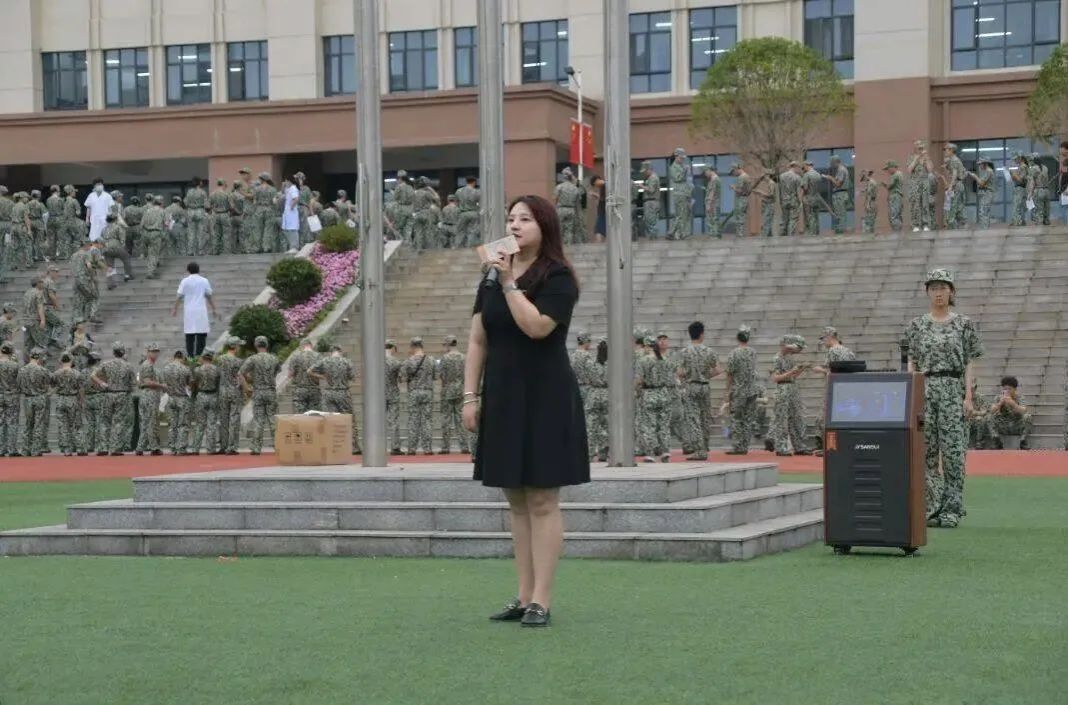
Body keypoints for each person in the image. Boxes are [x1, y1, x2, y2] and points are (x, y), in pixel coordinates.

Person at [464, 194, 589, 628]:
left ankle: (542, 600)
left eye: (525, 219)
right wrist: (469, 396)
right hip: (502, 394)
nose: (514, 225)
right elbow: (477, 339)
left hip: (545, 394)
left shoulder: (558, 276)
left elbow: (537, 327)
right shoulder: (491, 274)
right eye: (511, 218)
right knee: (515, 498)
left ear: (545, 227)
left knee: (541, 498)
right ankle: (522, 594)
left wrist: (509, 284)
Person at [904, 268, 983, 528]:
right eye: (934, 288)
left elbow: (970, 362)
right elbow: (911, 362)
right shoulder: (917, 325)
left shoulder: (964, 324)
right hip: (925, 388)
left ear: (951, 291)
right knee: (925, 451)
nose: (938, 293)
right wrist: (912, 394)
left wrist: (968, 397)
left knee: (953, 453)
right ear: (927, 292)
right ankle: (931, 506)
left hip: (952, 388)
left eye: (943, 288)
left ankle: (952, 509)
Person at [307, 344, 362, 455]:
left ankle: (332, 447)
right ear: (340, 351)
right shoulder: (346, 362)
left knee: (329, 419)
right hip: (343, 393)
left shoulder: (324, 361)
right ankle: (354, 447)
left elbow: (309, 371)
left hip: (328, 393)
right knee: (349, 419)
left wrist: (322, 376)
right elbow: (353, 377)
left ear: (331, 352)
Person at [677, 321, 720, 461]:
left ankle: (699, 449)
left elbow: (679, 372)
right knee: (704, 417)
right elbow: (718, 370)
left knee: (693, 418)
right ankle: (705, 445)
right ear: (702, 334)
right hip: (705, 386)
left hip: (691, 386)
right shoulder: (709, 351)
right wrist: (705, 375)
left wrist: (690, 375)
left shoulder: (684, 352)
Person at [636, 333, 676, 463]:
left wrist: (637, 391)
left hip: (649, 393)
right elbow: (672, 379)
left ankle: (650, 453)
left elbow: (639, 380)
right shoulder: (666, 360)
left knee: (649, 425)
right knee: (664, 425)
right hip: (664, 393)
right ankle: (665, 451)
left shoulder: (643, 360)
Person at [91, 342, 136, 456]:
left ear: (113, 352)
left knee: (104, 421)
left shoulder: (106, 364)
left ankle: (103, 447)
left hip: (108, 394)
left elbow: (93, 375)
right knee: (119, 422)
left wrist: (101, 383)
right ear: (123, 352)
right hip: (122, 395)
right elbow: (133, 384)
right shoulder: (128, 366)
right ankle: (116, 448)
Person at [770, 335, 812, 457]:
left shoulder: (789, 357)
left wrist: (801, 369)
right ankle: (781, 447)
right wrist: (792, 371)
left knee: (796, 418)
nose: (798, 350)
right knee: (781, 419)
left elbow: (793, 376)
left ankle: (799, 446)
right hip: (782, 389)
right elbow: (775, 378)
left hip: (792, 388)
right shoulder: (777, 358)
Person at [240, 335, 280, 455]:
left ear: (256, 345)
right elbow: (276, 373)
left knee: (258, 420)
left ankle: (256, 448)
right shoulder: (274, 358)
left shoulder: (253, 359)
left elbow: (240, 373)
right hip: (271, 391)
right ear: (266, 345)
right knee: (272, 419)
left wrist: (247, 387)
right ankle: (278, 446)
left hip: (258, 392)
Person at [172, 262, 217, 358]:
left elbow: (179, 296)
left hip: (189, 311)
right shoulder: (204, 281)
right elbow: (208, 295)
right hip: (201, 310)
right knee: (202, 334)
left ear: (188, 270)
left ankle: (190, 356)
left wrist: (175, 309)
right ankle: (199, 356)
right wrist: (214, 308)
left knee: (189, 335)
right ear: (198, 270)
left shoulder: (185, 281)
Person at [400, 336, 434, 454]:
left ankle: (412, 448)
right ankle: (427, 448)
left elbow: (402, 378)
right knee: (427, 420)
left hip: (414, 392)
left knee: (413, 420)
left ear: (412, 346)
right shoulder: (431, 360)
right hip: (428, 391)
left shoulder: (408, 361)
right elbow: (436, 376)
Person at [436, 334, 468, 455]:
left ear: (448, 345)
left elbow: (441, 375)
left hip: (447, 390)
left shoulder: (445, 358)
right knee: (460, 419)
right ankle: (464, 446)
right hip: (460, 390)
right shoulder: (463, 357)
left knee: (446, 419)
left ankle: (445, 447)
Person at [18, 348, 52, 456]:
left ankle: (25, 449)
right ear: (39, 358)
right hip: (40, 397)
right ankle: (35, 449)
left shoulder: (22, 370)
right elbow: (48, 384)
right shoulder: (43, 370)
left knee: (28, 423)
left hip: (27, 398)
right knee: (38, 423)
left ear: (30, 356)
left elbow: (19, 385)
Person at [188, 348, 221, 454]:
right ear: (212, 358)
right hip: (213, 396)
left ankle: (195, 449)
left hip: (201, 395)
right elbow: (218, 384)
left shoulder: (197, 370)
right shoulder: (217, 369)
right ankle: (211, 449)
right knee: (211, 424)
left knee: (200, 424)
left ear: (203, 357)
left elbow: (193, 384)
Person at [135, 343, 165, 457]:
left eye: (156, 351)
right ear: (148, 352)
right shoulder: (147, 365)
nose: (155, 354)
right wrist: (162, 385)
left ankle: (140, 447)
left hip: (149, 395)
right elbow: (147, 382)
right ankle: (154, 447)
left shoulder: (150, 365)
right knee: (151, 422)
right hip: (150, 395)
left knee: (146, 422)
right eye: (152, 351)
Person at [52, 352, 85, 457]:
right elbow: (81, 389)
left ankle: (67, 449)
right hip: (73, 399)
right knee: (76, 424)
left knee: (63, 426)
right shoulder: (77, 374)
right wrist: (82, 401)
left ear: (61, 360)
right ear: (71, 360)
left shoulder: (56, 373)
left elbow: (52, 387)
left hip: (61, 399)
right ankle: (80, 448)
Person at [216, 336, 244, 455]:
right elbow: (240, 376)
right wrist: (247, 388)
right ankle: (231, 447)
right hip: (234, 391)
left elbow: (218, 374)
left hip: (223, 391)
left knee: (223, 419)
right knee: (234, 419)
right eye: (239, 345)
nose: (239, 347)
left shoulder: (220, 359)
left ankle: (223, 445)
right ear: (235, 346)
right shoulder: (238, 361)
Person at [162, 350, 193, 455]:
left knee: (172, 424)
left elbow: (164, 383)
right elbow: (190, 384)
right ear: (183, 357)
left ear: (174, 357)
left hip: (171, 398)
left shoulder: (166, 368)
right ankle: (181, 448)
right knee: (183, 424)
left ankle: (173, 447)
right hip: (182, 398)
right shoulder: (186, 369)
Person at [988, 376, 1032, 449]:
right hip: (1003, 425)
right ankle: (996, 441)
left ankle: (1023, 441)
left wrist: (1013, 403)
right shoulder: (998, 397)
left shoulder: (1020, 397)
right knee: (989, 416)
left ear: (1015, 389)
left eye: (1009, 389)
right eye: (1005, 389)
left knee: (1028, 416)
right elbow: (991, 410)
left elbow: (1024, 410)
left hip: (1016, 425)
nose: (1007, 391)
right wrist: (1000, 403)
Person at [288, 338, 322, 413]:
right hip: (314, 390)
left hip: (300, 390)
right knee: (315, 415)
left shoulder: (295, 356)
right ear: (311, 345)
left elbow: (290, 374)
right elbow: (323, 373)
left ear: (302, 346)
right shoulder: (318, 356)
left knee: (300, 416)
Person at [906, 140, 933, 232]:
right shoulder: (911, 157)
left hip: (924, 183)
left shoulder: (926, 157)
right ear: (914, 147)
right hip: (915, 183)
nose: (919, 147)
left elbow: (930, 170)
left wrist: (926, 158)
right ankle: (915, 225)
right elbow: (909, 170)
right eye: (917, 145)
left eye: (921, 145)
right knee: (915, 204)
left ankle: (926, 224)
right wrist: (916, 159)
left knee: (925, 203)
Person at [668, 148, 693, 240]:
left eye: (683, 158)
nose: (682, 160)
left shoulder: (682, 166)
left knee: (684, 214)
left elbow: (688, 180)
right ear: (676, 156)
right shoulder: (673, 167)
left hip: (685, 193)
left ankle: (676, 233)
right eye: (681, 158)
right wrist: (684, 170)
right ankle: (675, 233)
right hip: (679, 193)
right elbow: (677, 178)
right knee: (680, 214)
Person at [0, 341, 19, 457]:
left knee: (0, 422)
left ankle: (1, 448)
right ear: (11, 352)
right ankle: (12, 449)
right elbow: (19, 381)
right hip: (12, 395)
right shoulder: (15, 365)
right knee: (12, 422)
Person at [823, 155, 850, 235]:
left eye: (831, 163)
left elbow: (838, 184)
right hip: (840, 194)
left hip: (840, 195)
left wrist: (830, 178)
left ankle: (840, 233)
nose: (831, 165)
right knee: (840, 214)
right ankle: (840, 231)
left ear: (835, 162)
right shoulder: (840, 169)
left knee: (840, 214)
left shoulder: (841, 170)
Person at [384, 339, 403, 454]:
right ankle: (395, 447)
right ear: (392, 348)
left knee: (378, 420)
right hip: (392, 393)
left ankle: (376, 445)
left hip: (378, 394)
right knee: (393, 420)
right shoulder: (396, 362)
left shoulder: (375, 361)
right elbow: (400, 379)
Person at [83, 177, 115, 242]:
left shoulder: (107, 196)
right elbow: (88, 208)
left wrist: (111, 219)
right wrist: (87, 218)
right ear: (94, 186)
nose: (99, 186)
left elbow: (111, 208)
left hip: (105, 220)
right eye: (97, 184)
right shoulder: (91, 195)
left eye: (100, 184)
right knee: (93, 237)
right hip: (94, 220)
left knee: (104, 238)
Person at [968, 158, 996, 229]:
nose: (979, 166)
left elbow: (982, 183)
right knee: (983, 212)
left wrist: (975, 177)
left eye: (980, 164)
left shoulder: (989, 171)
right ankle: (984, 228)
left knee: (984, 212)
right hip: (985, 193)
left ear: (985, 164)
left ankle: (984, 229)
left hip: (987, 193)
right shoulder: (986, 171)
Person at [778, 161, 803, 236]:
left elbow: (780, 190)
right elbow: (798, 191)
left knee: (784, 219)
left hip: (784, 200)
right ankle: (790, 237)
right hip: (793, 201)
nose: (799, 169)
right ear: (795, 167)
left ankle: (782, 236)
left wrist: (780, 201)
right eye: (798, 167)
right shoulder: (797, 177)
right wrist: (800, 202)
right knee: (793, 220)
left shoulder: (781, 176)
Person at [639, 161, 661, 238]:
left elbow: (651, 190)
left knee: (650, 221)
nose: (644, 173)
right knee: (650, 221)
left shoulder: (653, 178)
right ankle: (653, 236)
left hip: (651, 202)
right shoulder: (650, 178)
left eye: (645, 171)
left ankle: (654, 237)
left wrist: (642, 186)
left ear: (649, 169)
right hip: (651, 202)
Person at [281, 175, 300, 253]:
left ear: (289, 181)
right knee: (287, 229)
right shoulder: (288, 189)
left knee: (292, 229)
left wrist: (291, 207)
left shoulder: (293, 188)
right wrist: (283, 186)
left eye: (286, 181)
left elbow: (296, 199)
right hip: (288, 213)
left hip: (291, 212)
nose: (285, 183)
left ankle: (294, 247)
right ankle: (292, 246)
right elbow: (283, 192)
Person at [703, 168, 721, 238]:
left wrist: (709, 204)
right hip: (714, 203)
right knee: (714, 220)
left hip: (713, 203)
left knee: (712, 220)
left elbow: (712, 192)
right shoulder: (714, 179)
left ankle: (714, 236)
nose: (705, 175)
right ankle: (715, 235)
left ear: (709, 170)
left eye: (705, 172)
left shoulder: (714, 179)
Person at [590, 174, 606, 243]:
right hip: (602, 211)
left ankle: (598, 243)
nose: (596, 186)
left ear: (596, 181)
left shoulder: (605, 185)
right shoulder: (603, 187)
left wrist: (595, 194)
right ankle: (600, 242)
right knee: (601, 229)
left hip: (603, 211)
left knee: (598, 229)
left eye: (595, 184)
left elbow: (604, 198)